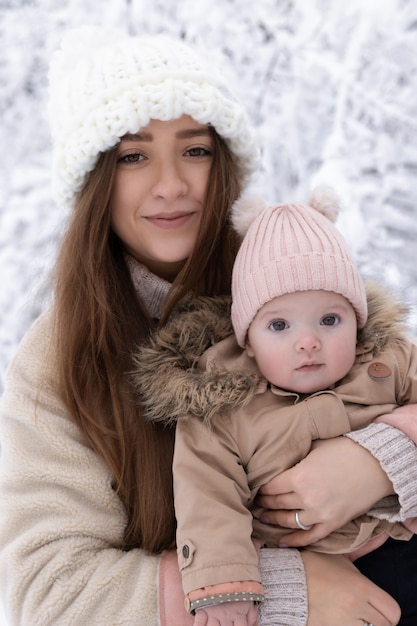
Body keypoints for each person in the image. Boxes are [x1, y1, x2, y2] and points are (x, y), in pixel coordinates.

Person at [0, 25, 411, 626]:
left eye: (195, 150)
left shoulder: (294, 280)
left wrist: (384, 458)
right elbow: (48, 589)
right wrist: (281, 590)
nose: (171, 185)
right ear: (94, 182)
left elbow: (399, 378)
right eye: (133, 156)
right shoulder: (59, 359)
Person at [135, 193, 417, 625]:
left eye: (329, 320)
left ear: (357, 319)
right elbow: (207, 495)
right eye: (280, 325)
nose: (307, 342)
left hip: (401, 541)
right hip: (313, 578)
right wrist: (225, 584)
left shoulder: (390, 362)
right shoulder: (224, 405)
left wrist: (396, 450)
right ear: (247, 338)